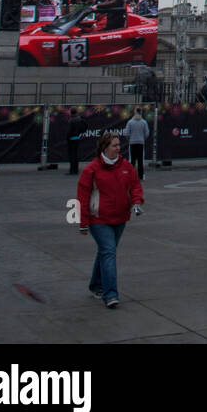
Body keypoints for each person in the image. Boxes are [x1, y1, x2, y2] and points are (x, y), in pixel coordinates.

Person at [77, 132, 143, 308]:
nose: (118, 148)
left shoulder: (126, 166)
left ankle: (96, 285)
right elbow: (82, 197)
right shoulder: (92, 169)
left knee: (106, 251)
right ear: (105, 147)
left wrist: (137, 202)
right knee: (109, 252)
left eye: (119, 145)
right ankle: (111, 294)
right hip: (99, 219)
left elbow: (135, 185)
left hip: (120, 218)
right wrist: (83, 222)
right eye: (114, 145)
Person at [122, 107, 149, 179]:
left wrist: (130, 139)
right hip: (141, 143)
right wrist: (142, 139)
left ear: (134, 112)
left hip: (132, 143)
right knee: (140, 160)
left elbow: (126, 133)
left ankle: (131, 176)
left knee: (132, 160)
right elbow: (147, 133)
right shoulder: (144, 122)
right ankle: (141, 176)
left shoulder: (130, 122)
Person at [67, 108, 83, 176]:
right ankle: (76, 169)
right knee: (76, 154)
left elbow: (69, 130)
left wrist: (68, 137)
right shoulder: (79, 119)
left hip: (72, 138)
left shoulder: (71, 120)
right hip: (77, 137)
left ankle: (72, 170)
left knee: (72, 155)